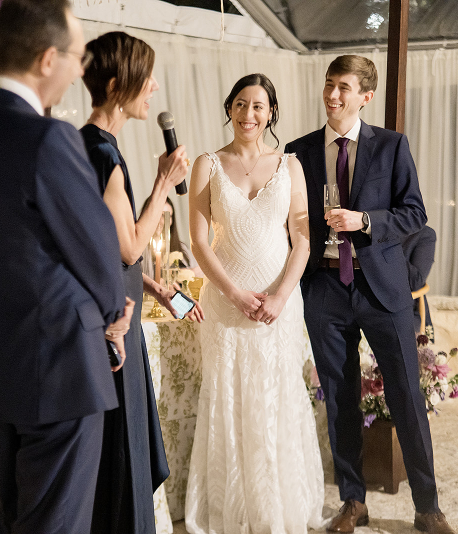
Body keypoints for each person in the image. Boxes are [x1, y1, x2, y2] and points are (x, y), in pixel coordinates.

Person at [0, 1, 134, 532]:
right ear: (48, 59)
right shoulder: (49, 138)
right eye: (77, 57)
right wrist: (114, 314)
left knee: (13, 518)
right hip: (61, 368)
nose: (80, 69)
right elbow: (98, 250)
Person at [286, 55, 455, 534]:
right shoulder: (298, 152)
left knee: (406, 397)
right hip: (324, 288)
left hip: (382, 289)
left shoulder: (391, 147)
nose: (333, 95)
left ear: (365, 95)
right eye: (328, 85)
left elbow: (414, 213)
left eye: (344, 87)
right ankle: (353, 502)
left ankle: (428, 508)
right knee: (339, 399)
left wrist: (364, 222)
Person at [185, 73, 325, 533]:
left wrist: (281, 295)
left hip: (278, 306)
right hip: (227, 305)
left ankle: (275, 511)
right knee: (229, 400)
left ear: (271, 114)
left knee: (275, 398)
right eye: (241, 104)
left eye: (259, 106)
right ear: (230, 107)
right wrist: (234, 293)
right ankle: (232, 512)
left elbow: (302, 238)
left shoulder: (291, 166)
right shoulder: (207, 163)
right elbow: (200, 242)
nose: (249, 114)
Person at [79, 31, 204, 534]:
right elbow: (129, 245)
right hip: (114, 324)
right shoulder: (103, 154)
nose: (153, 87)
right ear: (116, 85)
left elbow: (101, 249)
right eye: (144, 77)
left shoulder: (84, 145)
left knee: (120, 447)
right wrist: (161, 186)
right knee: (122, 450)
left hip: (115, 306)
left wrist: (154, 287)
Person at [140, 195, 202, 279]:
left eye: (169, 216)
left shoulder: (182, 248)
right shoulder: (140, 251)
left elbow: (197, 271)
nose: (164, 221)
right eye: (161, 215)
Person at [403, 225, 437, 342]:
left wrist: (389, 249)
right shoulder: (369, 228)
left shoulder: (424, 234)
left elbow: (416, 281)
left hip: (406, 307)